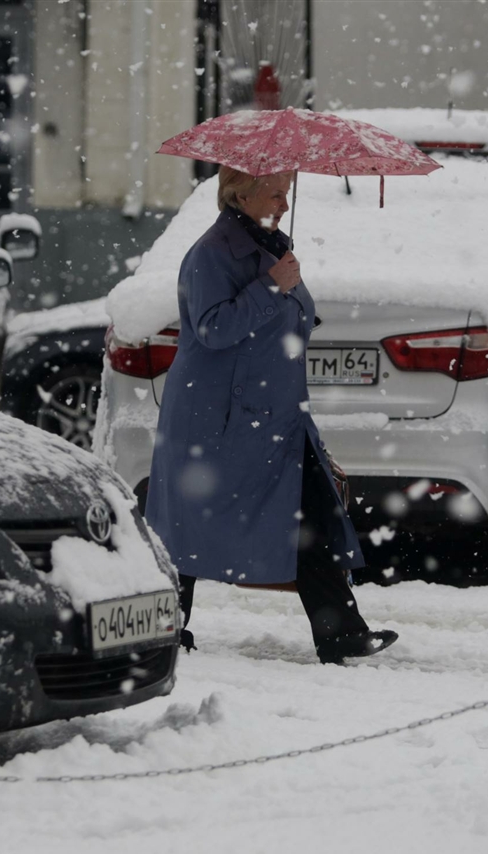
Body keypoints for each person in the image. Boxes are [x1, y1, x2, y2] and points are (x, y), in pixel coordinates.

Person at [144, 166, 398, 665]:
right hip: (219, 418)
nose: (284, 202)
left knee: (312, 513)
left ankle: (342, 630)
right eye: (277, 192)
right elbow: (213, 328)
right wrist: (272, 287)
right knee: (186, 525)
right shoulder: (211, 254)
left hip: (272, 412)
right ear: (241, 193)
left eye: (288, 193)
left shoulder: (270, 246)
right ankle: (160, 629)